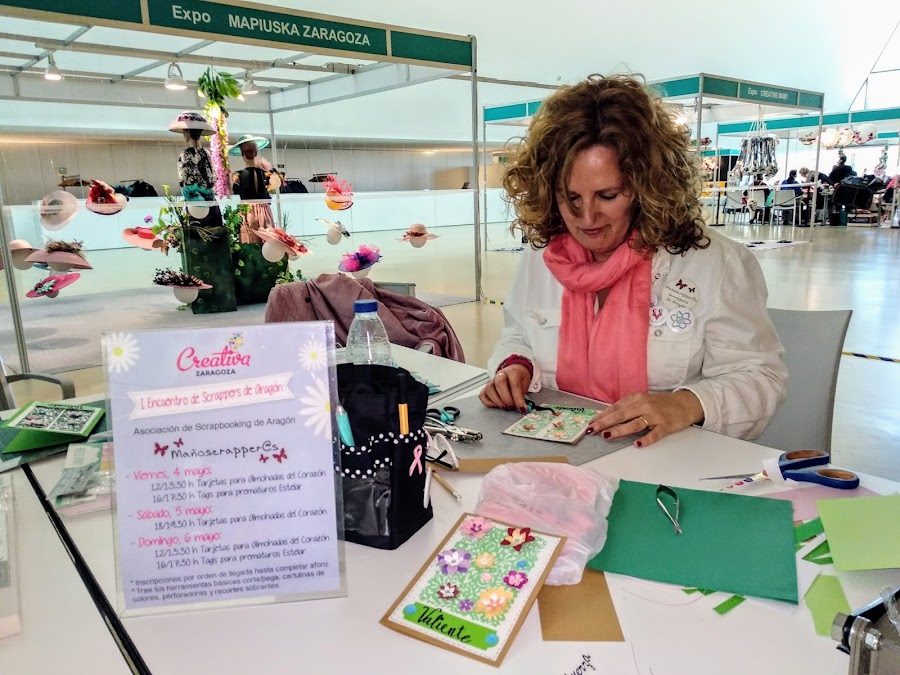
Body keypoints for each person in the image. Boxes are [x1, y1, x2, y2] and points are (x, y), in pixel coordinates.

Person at [479, 74, 787, 446]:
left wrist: (686, 404)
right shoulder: (542, 256)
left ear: (647, 187)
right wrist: (516, 364)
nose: (586, 217)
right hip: (562, 451)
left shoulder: (716, 265)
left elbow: (760, 378)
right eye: (570, 198)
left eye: (607, 195)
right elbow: (518, 331)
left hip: (669, 457)